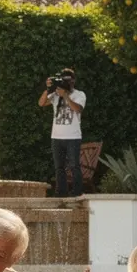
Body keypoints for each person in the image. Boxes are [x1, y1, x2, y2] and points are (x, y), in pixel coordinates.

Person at [37, 67, 86, 197]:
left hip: (73, 137)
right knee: (59, 167)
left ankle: (77, 193)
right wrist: (49, 89)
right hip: (56, 137)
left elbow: (78, 109)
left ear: (73, 81)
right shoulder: (55, 95)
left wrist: (65, 95)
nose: (67, 83)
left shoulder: (79, 94)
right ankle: (61, 192)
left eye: (68, 80)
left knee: (74, 166)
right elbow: (41, 103)